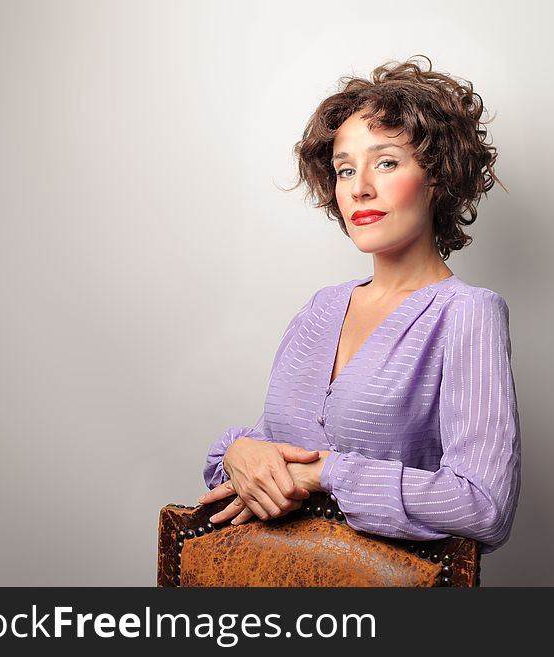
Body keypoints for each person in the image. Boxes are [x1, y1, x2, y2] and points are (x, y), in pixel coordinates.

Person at [198, 55, 521, 554]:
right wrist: (240, 451)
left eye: (386, 162)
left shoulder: (466, 314)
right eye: (345, 169)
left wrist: (326, 473)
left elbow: (483, 505)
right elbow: (270, 451)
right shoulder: (320, 309)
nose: (359, 186)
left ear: (437, 176)